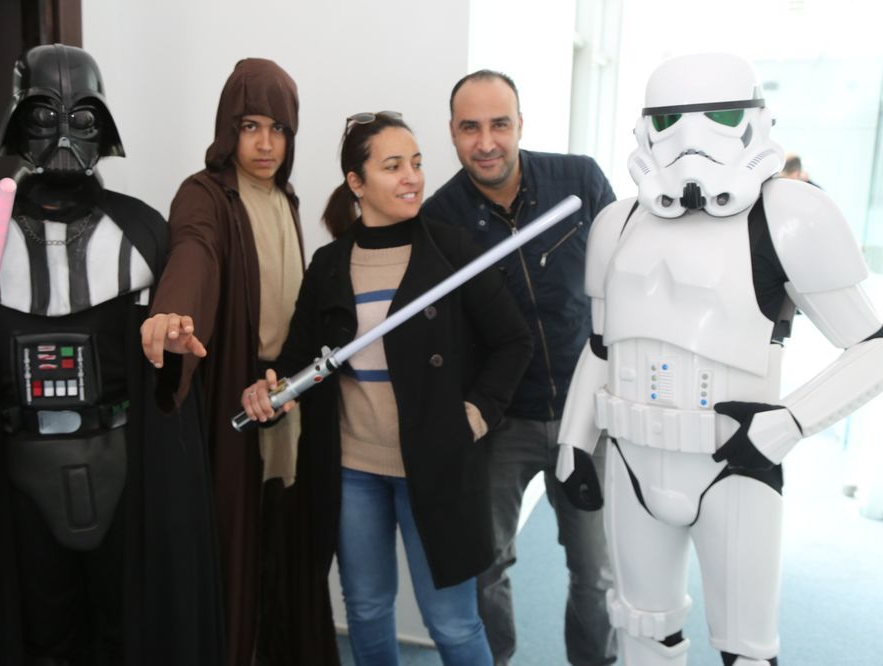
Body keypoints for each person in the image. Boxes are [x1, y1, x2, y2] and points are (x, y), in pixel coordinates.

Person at [555, 52, 883, 666]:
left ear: (754, 119)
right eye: (669, 120)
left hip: (735, 465)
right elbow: (601, 346)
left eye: (721, 116)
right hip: (630, 458)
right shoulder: (617, 223)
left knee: (746, 650)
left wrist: (788, 424)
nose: (690, 138)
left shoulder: (789, 215)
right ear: (645, 126)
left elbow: (873, 346)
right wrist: (574, 439)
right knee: (640, 628)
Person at [0, 44, 222, 665]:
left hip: (121, 465)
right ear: (16, 121)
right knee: (34, 631)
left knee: (123, 626)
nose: (61, 134)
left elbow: (169, 385)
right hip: (16, 472)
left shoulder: (141, 233)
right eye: (43, 115)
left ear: (102, 126)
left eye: (80, 117)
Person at [240, 111, 533, 665]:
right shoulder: (330, 264)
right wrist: (270, 391)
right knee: (368, 608)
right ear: (357, 182)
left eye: (416, 164)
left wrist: (475, 414)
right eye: (393, 166)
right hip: (353, 469)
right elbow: (299, 361)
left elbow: (513, 342)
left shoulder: (452, 250)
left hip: (435, 463)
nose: (412, 178)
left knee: (452, 622)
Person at [139, 58, 336, 665]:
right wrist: (173, 312)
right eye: (250, 126)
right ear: (229, 128)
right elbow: (193, 251)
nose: (265, 144)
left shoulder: (285, 198)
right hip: (231, 396)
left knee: (281, 545)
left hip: (285, 399)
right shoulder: (206, 194)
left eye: (278, 129)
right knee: (232, 553)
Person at [421, 70, 617, 666]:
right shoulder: (438, 219)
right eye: (470, 128)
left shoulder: (579, 181)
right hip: (500, 419)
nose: (486, 143)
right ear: (452, 133)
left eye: (499, 124)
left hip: (587, 412)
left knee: (596, 570)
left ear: (521, 125)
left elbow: (626, 278)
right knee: (487, 568)